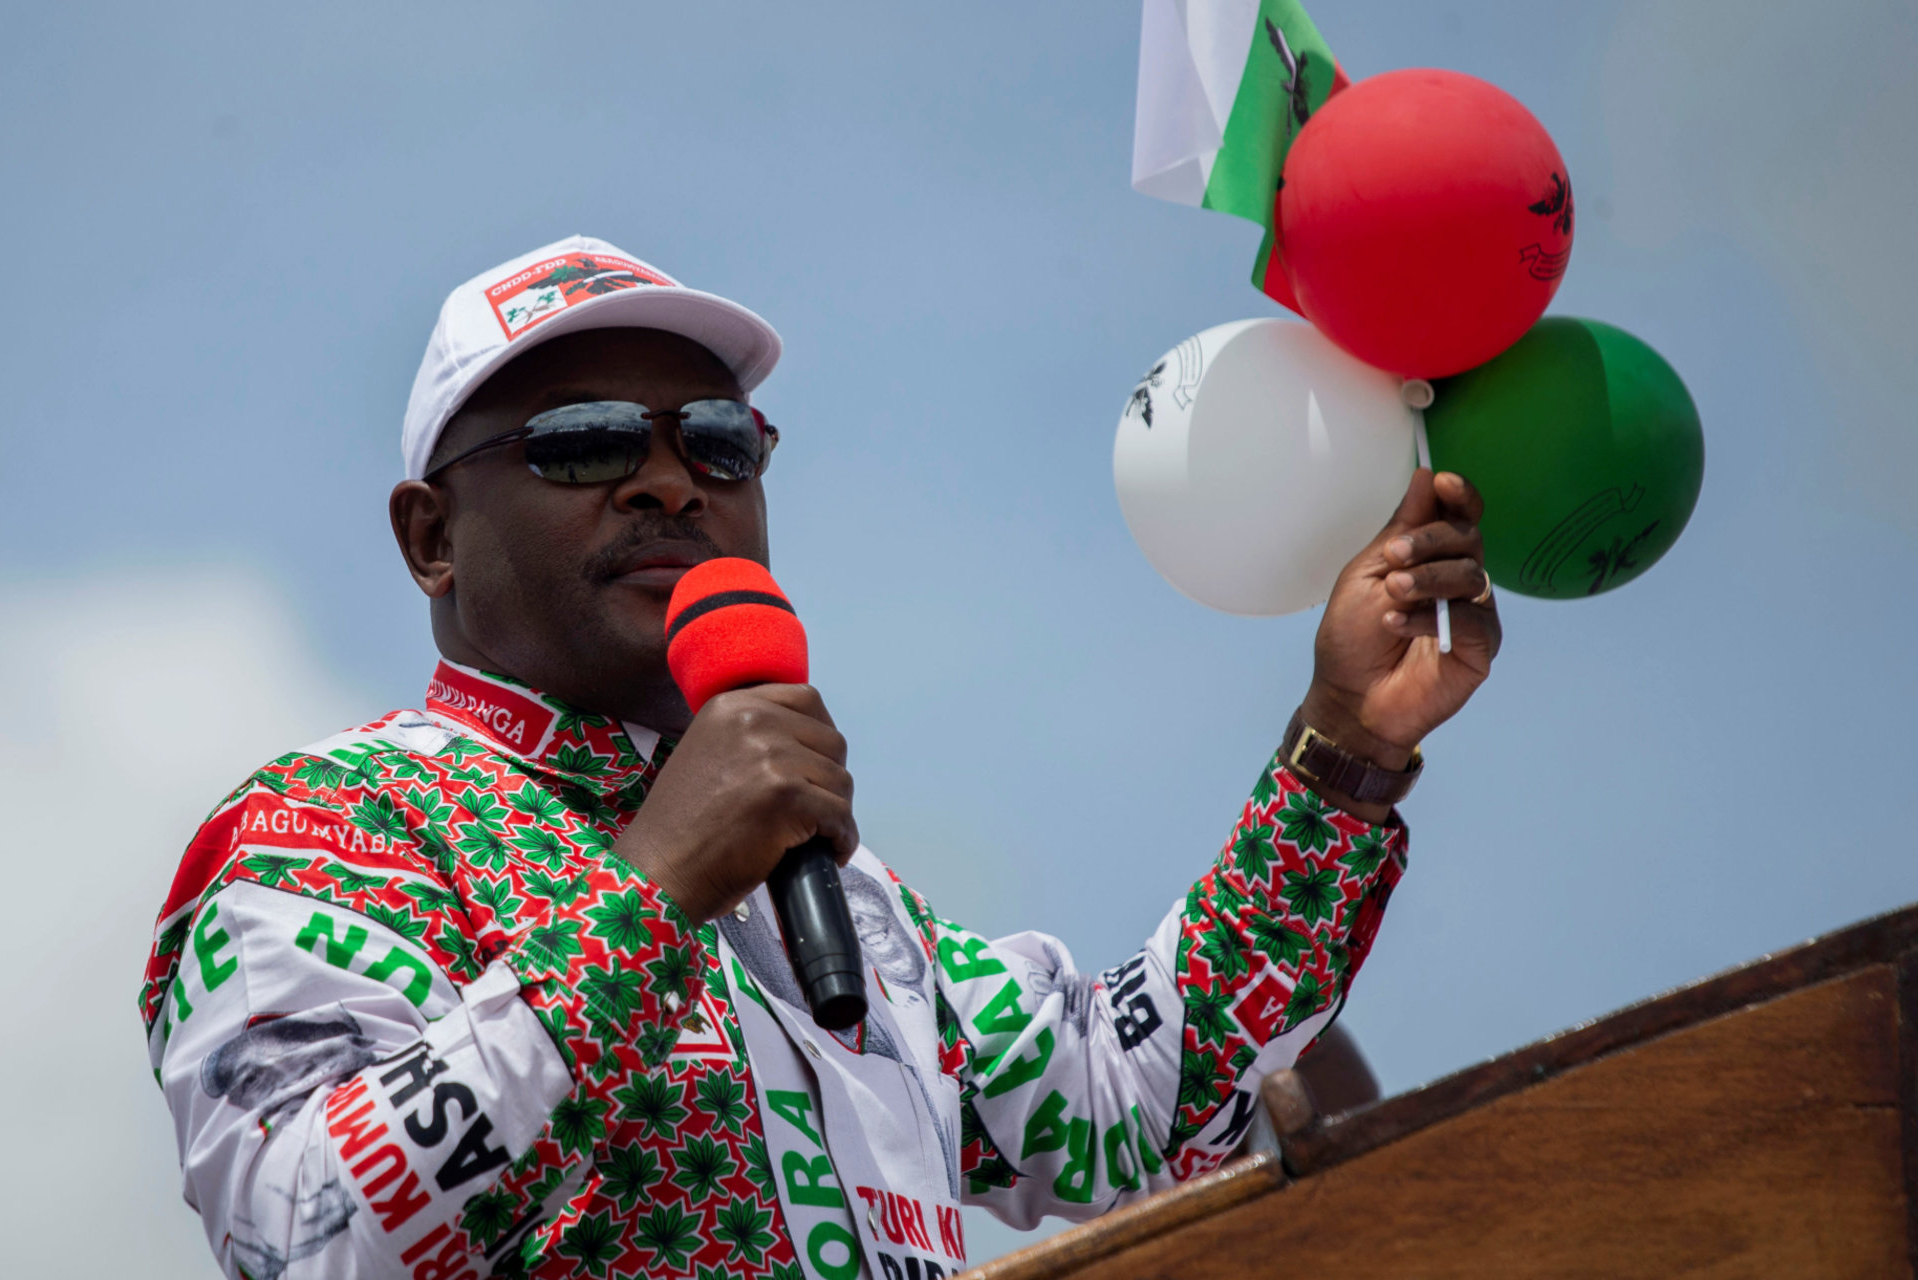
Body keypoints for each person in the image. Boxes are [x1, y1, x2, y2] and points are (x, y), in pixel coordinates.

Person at [140, 235, 1500, 1280]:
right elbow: (301, 1233)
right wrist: (654, 892)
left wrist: (1344, 749)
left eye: (717, 441)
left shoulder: (835, 898)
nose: (670, 479)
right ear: (432, 537)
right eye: (584, 442)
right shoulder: (328, 832)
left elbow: (1135, 1111)